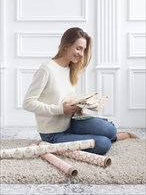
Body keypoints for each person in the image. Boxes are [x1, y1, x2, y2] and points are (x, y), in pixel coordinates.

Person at [23, 27, 138, 155]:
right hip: (52, 134)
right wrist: (60, 109)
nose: (82, 54)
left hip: (70, 123)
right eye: (79, 48)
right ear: (66, 46)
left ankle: (110, 135)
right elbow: (28, 103)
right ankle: (111, 138)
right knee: (103, 144)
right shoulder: (46, 69)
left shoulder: (69, 69)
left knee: (110, 129)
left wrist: (81, 104)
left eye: (83, 50)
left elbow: (63, 97)